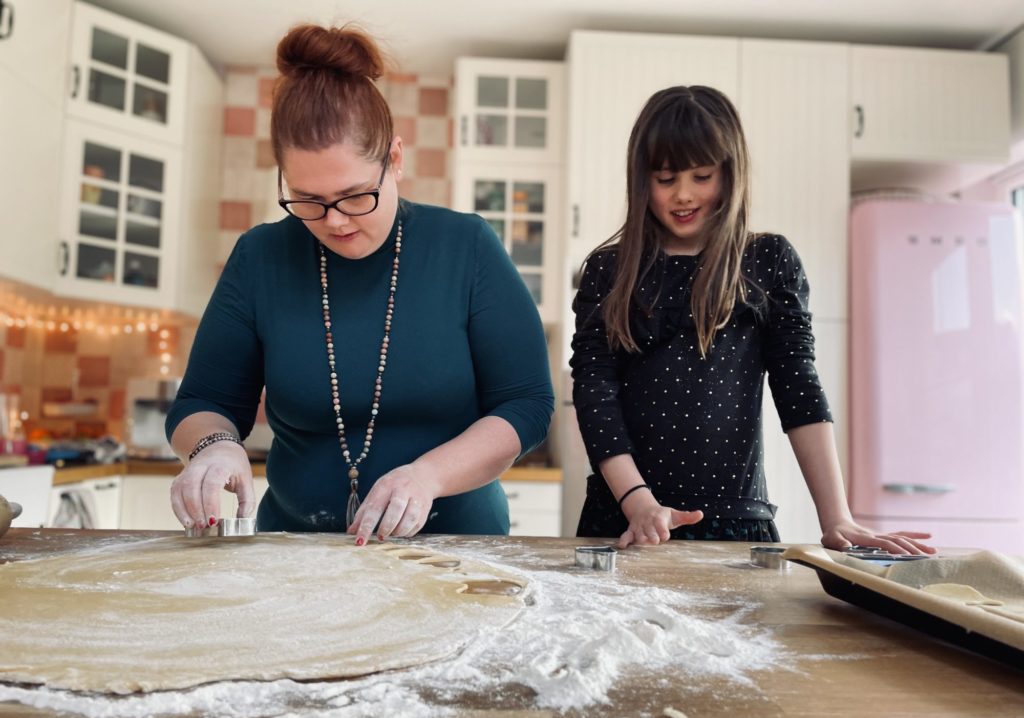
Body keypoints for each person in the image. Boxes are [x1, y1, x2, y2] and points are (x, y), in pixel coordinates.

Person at [165, 24, 553, 544]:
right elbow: (202, 401)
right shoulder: (260, 257)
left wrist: (427, 477)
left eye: (354, 196)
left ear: (394, 159)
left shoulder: (466, 247)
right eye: (308, 200)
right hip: (296, 549)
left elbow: (526, 404)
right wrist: (214, 446)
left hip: (455, 548)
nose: (335, 221)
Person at [570, 85, 934, 554]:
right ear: (641, 180)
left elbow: (798, 386)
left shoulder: (769, 260)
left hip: (734, 522)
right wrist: (637, 499)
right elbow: (594, 391)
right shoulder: (609, 269)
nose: (683, 194)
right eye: (664, 179)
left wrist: (836, 516)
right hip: (622, 519)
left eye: (701, 176)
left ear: (730, 172)